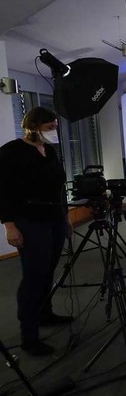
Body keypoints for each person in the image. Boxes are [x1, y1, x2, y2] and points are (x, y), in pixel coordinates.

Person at [0, 107, 74, 356]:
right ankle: (28, 336)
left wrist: (65, 217)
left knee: (48, 271)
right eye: (49, 127)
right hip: (29, 220)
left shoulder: (50, 151)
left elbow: (58, 186)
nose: (54, 132)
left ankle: (45, 314)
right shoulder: (11, 152)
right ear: (33, 126)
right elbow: (3, 192)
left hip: (54, 219)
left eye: (55, 127)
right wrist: (9, 225)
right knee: (33, 276)